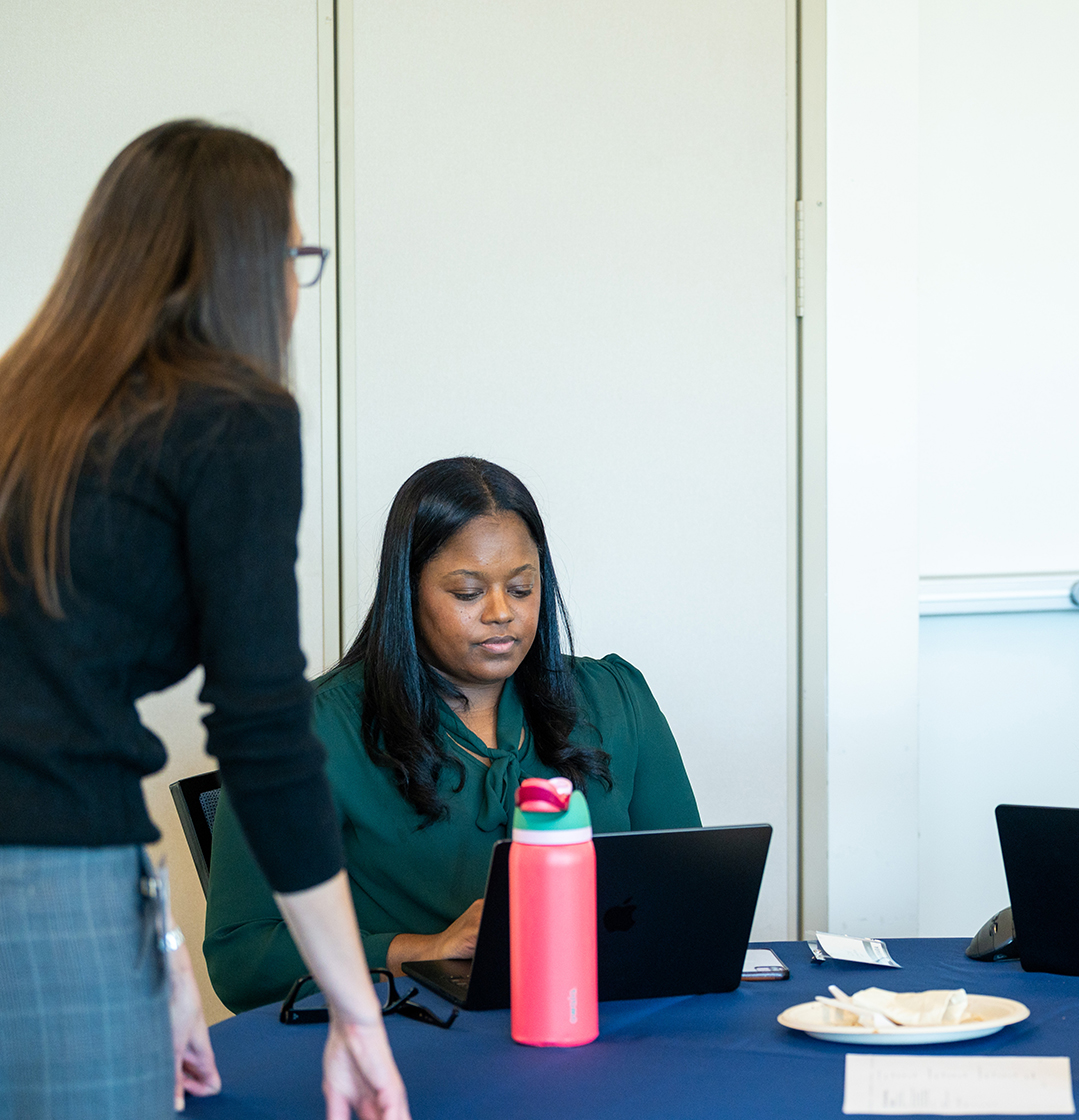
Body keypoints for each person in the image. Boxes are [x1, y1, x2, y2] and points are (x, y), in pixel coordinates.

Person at [0, 122, 408, 1118]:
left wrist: (158, 951)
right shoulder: (235, 417)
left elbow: (49, 697)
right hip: (43, 888)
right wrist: (357, 1015)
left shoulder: (24, 410)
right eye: (294, 257)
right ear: (244, 267)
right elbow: (262, 730)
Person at [205, 457, 702, 1012]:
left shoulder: (615, 698)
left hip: (606, 1020)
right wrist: (422, 950)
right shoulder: (306, 733)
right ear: (408, 591)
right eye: (468, 593)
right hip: (423, 1036)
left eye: (522, 588)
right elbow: (240, 957)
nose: (501, 613)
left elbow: (691, 894)